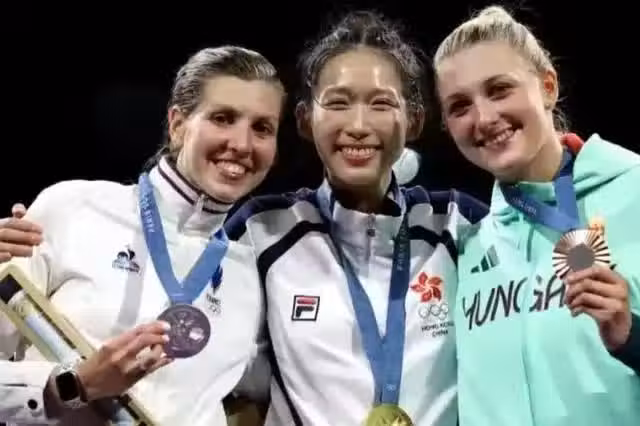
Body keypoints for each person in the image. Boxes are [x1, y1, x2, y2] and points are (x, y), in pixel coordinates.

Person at [224, 10, 488, 426]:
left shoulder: (459, 224)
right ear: (305, 120)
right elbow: (224, 377)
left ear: (414, 120)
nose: (359, 126)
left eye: (381, 103)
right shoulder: (261, 231)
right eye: (338, 103)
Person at [0, 45, 285, 425]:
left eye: (262, 128)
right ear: (178, 125)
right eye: (222, 118)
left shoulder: (252, 275)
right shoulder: (73, 208)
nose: (242, 144)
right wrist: (72, 385)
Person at [433, 5, 640, 426]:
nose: (484, 118)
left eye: (499, 90)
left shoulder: (633, 191)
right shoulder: (466, 247)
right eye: (459, 106)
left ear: (548, 87)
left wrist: (631, 336)